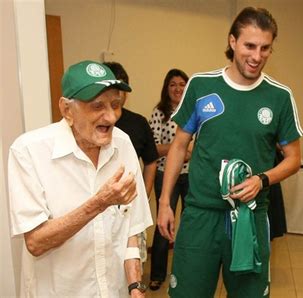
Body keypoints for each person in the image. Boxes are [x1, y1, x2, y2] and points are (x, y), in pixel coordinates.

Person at [157, 7, 303, 297]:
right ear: (232, 42)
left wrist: (262, 180)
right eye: (250, 45)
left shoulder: (280, 97)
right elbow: (178, 146)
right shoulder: (201, 85)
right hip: (201, 214)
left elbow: (294, 159)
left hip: (250, 216)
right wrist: (164, 204)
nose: (257, 56)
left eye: (265, 48)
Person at [8, 60, 153, 297]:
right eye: (97, 106)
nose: (111, 117)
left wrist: (135, 286)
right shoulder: (28, 151)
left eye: (115, 105)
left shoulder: (124, 144)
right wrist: (99, 202)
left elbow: (131, 230)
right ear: (67, 110)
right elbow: (36, 242)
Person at [104, 61, 159, 264]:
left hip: (129, 207)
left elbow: (151, 161)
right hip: (100, 207)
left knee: (133, 261)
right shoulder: (91, 123)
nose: (117, 95)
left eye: (121, 89)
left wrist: (144, 193)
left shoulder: (138, 122)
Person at [148, 68, 191, 290]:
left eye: (182, 84)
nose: (178, 88)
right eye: (173, 84)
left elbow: (200, 145)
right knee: (164, 225)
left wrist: (183, 149)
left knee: (192, 225)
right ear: (167, 88)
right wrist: (179, 149)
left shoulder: (194, 110)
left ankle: (186, 271)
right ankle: (157, 274)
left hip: (192, 175)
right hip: (166, 175)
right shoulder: (159, 112)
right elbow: (153, 148)